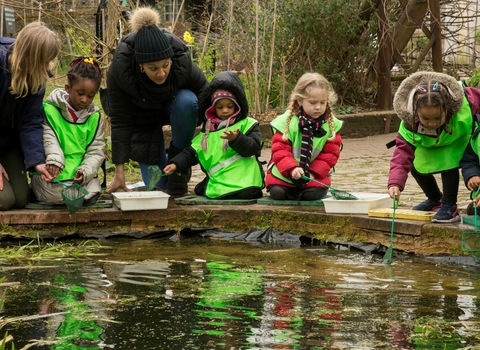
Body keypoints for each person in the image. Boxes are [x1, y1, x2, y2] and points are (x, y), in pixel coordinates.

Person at [101, 7, 207, 196]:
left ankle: (177, 161)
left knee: (187, 100)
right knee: (158, 185)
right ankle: (164, 161)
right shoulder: (121, 71)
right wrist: (119, 171)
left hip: (175, 106)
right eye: (153, 68)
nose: (161, 73)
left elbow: (207, 96)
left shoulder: (180, 61)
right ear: (140, 65)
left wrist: (206, 141)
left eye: (166, 65)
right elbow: (120, 120)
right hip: (143, 121)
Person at [388, 71, 480, 223]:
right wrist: (395, 183)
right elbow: (401, 156)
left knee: (447, 165)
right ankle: (434, 198)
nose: (432, 123)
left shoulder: (466, 102)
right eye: (425, 118)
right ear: (416, 112)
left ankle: (450, 205)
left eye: (437, 118)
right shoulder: (410, 122)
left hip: (455, 141)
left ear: (447, 108)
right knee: (416, 165)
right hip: (428, 144)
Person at [163, 71, 264, 199]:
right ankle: (209, 186)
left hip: (245, 180)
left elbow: (253, 147)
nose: (225, 110)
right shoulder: (207, 131)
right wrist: (176, 164)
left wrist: (237, 139)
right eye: (220, 107)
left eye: (230, 106)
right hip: (219, 180)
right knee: (202, 190)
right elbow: (192, 152)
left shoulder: (248, 124)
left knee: (247, 193)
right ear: (212, 108)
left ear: (238, 105)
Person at [0, 22, 61, 211]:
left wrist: (37, 161)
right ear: (28, 57)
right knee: (4, 200)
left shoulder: (35, 75)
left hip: (7, 142)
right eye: (44, 61)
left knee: (19, 199)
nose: (48, 67)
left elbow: (31, 121)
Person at [31, 57, 105, 206]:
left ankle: (77, 192)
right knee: (57, 195)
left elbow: (96, 151)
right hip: (54, 173)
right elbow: (48, 139)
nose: (84, 100)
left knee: (87, 192)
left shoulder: (95, 117)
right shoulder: (49, 110)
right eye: (80, 93)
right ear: (68, 88)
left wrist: (85, 172)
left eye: (90, 96)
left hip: (82, 179)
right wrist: (54, 161)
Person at [265, 72, 343, 201]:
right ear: (300, 100)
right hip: (285, 172)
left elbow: (330, 155)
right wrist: (292, 169)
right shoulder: (286, 121)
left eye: (322, 103)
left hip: (313, 174)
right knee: (278, 193)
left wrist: (313, 173)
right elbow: (280, 150)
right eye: (312, 103)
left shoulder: (332, 125)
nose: (318, 107)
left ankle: (306, 188)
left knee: (311, 195)